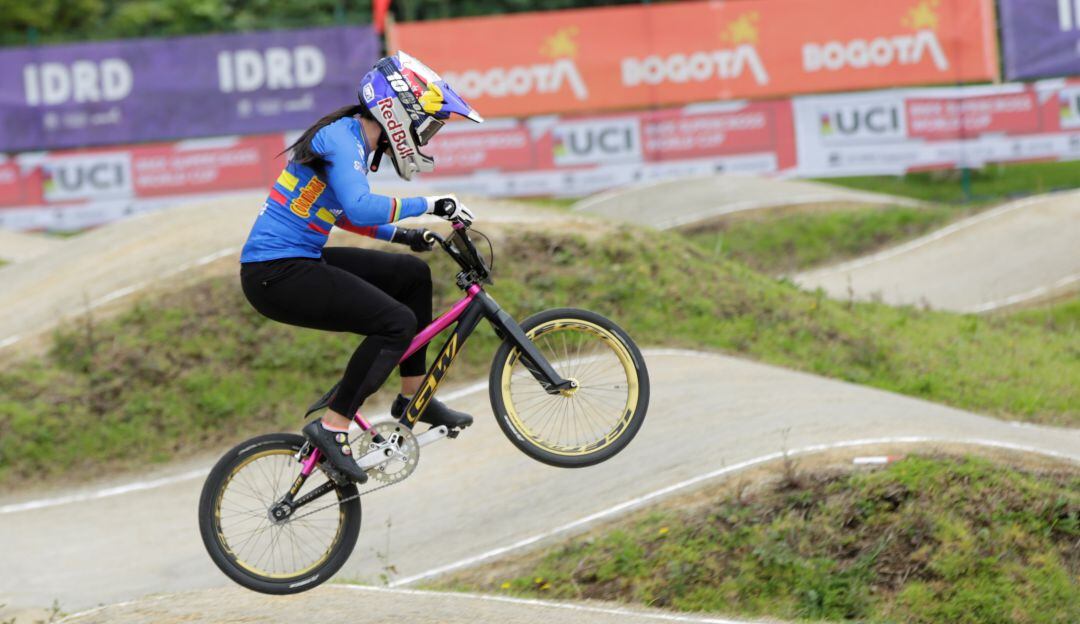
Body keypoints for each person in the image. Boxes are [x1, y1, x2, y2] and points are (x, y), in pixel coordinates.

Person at [239, 51, 484, 483]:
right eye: (427, 126)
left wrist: (405, 236)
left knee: (412, 275)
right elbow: (359, 206)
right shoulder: (343, 138)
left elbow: (344, 214)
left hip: (295, 261)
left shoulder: (350, 138)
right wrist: (431, 204)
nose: (426, 138)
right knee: (396, 323)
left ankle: (414, 397)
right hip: (276, 274)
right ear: (399, 113)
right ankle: (333, 425)